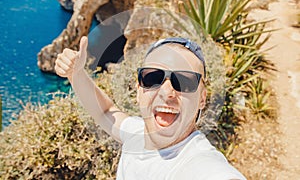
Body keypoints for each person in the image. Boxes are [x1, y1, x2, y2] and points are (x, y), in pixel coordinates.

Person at [55, 36, 246, 180]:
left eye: (184, 81)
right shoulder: (136, 133)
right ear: (139, 91)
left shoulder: (199, 165)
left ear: (202, 99)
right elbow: (106, 111)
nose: (166, 92)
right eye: (153, 78)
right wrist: (76, 74)